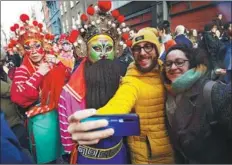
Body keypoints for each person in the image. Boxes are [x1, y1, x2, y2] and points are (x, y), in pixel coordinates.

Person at [67, 27, 174, 164]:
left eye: (148, 47)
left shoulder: (166, 70)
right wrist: (89, 124)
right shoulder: (131, 81)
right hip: (147, 156)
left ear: (157, 49)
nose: (142, 53)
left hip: (174, 149)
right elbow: (118, 104)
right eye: (137, 49)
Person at [58, 2, 133, 164]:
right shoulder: (69, 93)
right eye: (97, 48)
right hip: (87, 159)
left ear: (116, 50)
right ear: (86, 51)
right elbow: (67, 139)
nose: (104, 54)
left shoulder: (125, 83)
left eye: (108, 48)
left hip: (120, 154)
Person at [10, 14, 70, 164]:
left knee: (61, 157)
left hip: (58, 118)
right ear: (23, 50)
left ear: (43, 46)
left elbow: (67, 80)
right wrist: (39, 74)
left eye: (37, 45)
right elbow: (19, 97)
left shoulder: (50, 61)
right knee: (46, 160)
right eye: (28, 47)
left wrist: (59, 64)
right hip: (40, 124)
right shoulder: (22, 70)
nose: (34, 51)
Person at [161, 44, 232, 163]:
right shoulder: (168, 95)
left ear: (191, 64)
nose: (173, 67)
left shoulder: (211, 91)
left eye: (179, 62)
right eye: (168, 64)